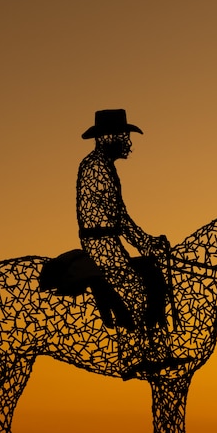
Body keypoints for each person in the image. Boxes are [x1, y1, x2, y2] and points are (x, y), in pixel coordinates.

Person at [76, 109, 173, 377]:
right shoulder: (96, 167)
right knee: (132, 288)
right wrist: (145, 242)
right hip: (100, 242)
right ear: (107, 138)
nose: (126, 142)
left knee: (152, 274)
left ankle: (156, 350)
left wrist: (147, 243)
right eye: (122, 136)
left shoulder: (105, 166)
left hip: (109, 240)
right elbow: (118, 218)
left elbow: (121, 216)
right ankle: (132, 355)